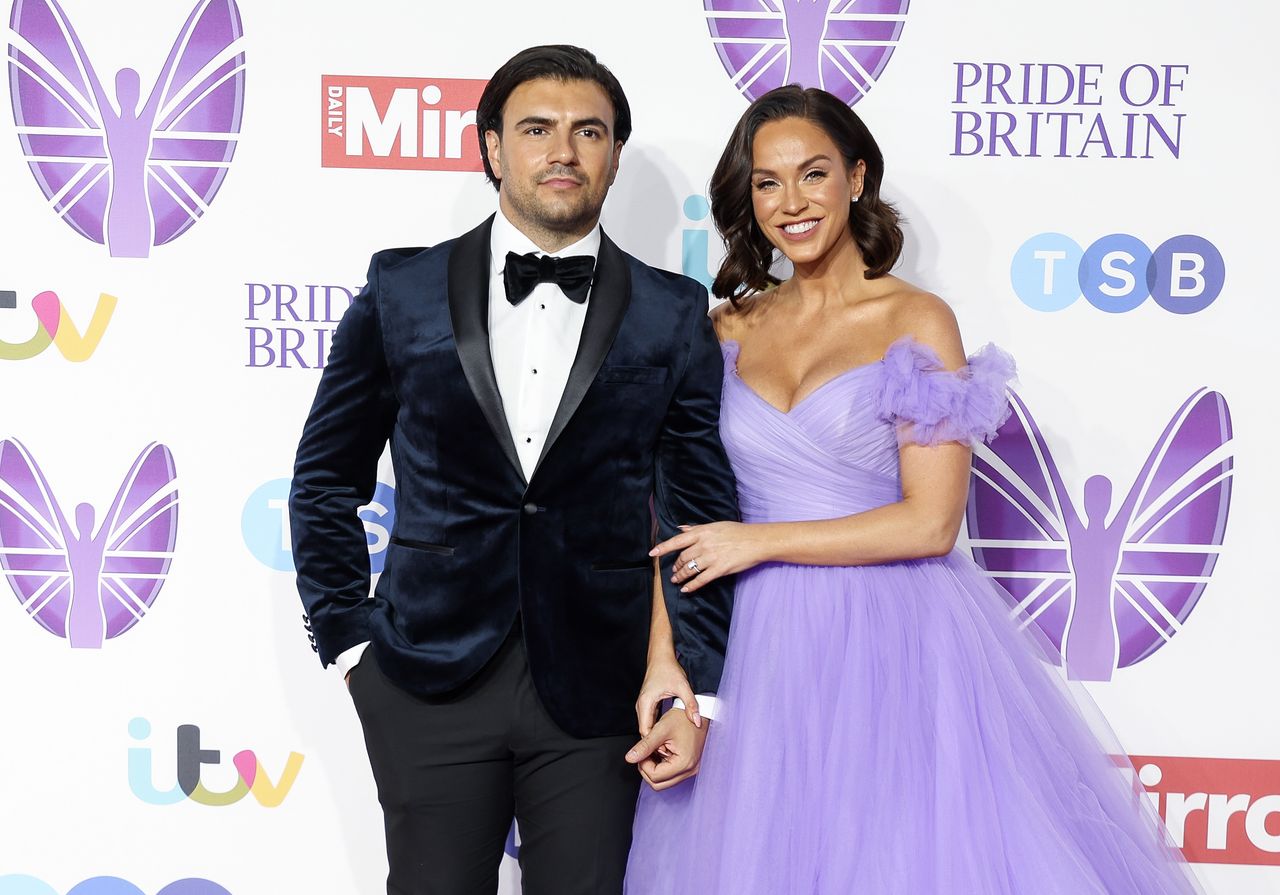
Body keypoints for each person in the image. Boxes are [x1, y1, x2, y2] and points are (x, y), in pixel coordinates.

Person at [624, 85, 1203, 894]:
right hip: (748, 646)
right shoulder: (725, 328)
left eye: (813, 173)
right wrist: (667, 664)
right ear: (745, 197)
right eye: (766, 182)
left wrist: (755, 540)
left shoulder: (915, 319)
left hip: (888, 640)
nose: (791, 202)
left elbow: (931, 523)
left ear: (857, 178)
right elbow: (681, 521)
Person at [288, 45, 738, 895]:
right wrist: (353, 647)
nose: (562, 150)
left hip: (602, 693)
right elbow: (322, 479)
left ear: (612, 155)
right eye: (537, 129)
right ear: (493, 148)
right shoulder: (402, 287)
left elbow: (697, 514)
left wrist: (695, 686)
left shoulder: (673, 312)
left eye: (588, 132)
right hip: (425, 680)